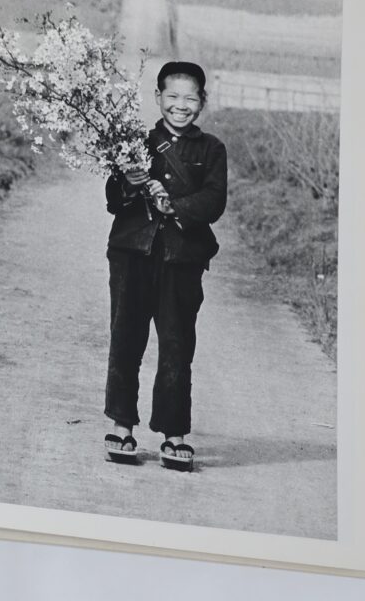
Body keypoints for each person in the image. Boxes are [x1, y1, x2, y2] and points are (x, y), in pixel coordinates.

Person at [101, 61, 228, 472]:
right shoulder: (135, 143)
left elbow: (214, 201)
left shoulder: (212, 150)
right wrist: (130, 181)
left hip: (182, 260)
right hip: (131, 254)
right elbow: (113, 200)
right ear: (157, 97)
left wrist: (174, 206)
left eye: (190, 98)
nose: (180, 105)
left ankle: (175, 434)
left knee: (177, 344)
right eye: (172, 96)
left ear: (202, 101)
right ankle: (122, 426)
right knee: (126, 339)